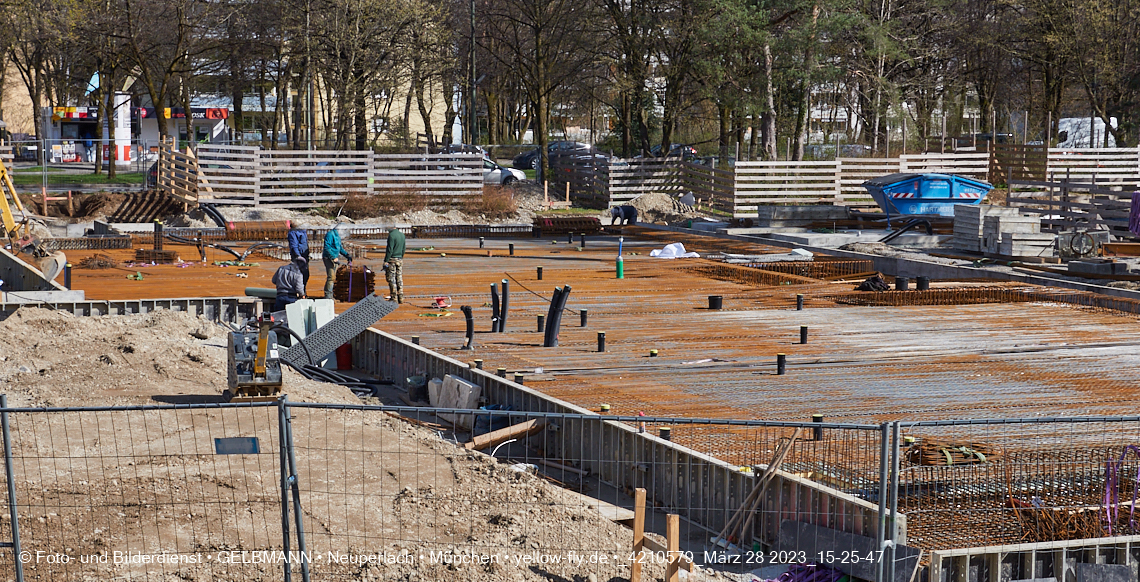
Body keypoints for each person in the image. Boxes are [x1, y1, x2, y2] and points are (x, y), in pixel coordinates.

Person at [322, 224, 352, 299]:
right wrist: (333, 257)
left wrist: (347, 255)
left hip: (335, 258)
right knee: (331, 276)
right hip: (328, 258)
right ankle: (328, 295)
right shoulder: (330, 234)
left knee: (333, 277)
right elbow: (327, 247)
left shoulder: (337, 236)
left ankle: (329, 293)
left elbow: (340, 248)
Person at [384, 227, 406, 303]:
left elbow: (389, 249)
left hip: (392, 260)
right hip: (400, 259)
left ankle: (394, 298)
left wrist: (386, 261)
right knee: (399, 278)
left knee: (391, 279)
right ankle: (401, 297)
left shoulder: (392, 235)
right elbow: (404, 248)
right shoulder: (402, 235)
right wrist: (400, 257)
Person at [287, 222, 310, 291]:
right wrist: (298, 256)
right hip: (299, 257)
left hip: (304, 255)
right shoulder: (293, 233)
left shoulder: (303, 231)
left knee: (305, 274)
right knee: (299, 274)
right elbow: (294, 245)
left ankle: (302, 290)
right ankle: (298, 291)